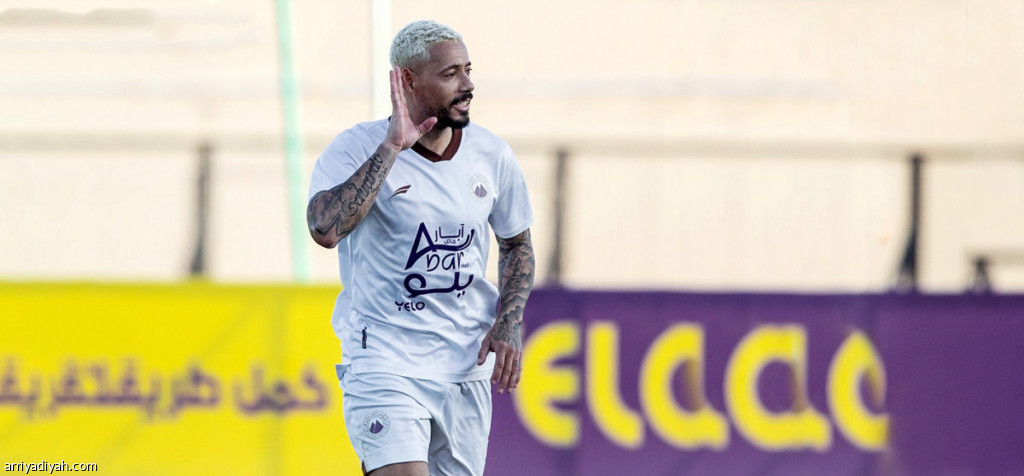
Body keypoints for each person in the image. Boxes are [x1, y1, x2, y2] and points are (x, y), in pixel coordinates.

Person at [306, 20, 535, 476]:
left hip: (464, 366)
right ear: (408, 80)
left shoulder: (492, 154)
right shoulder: (356, 147)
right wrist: (392, 147)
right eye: (451, 74)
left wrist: (509, 322)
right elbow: (325, 229)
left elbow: (516, 244)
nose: (468, 85)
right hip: (383, 360)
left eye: (468, 70)